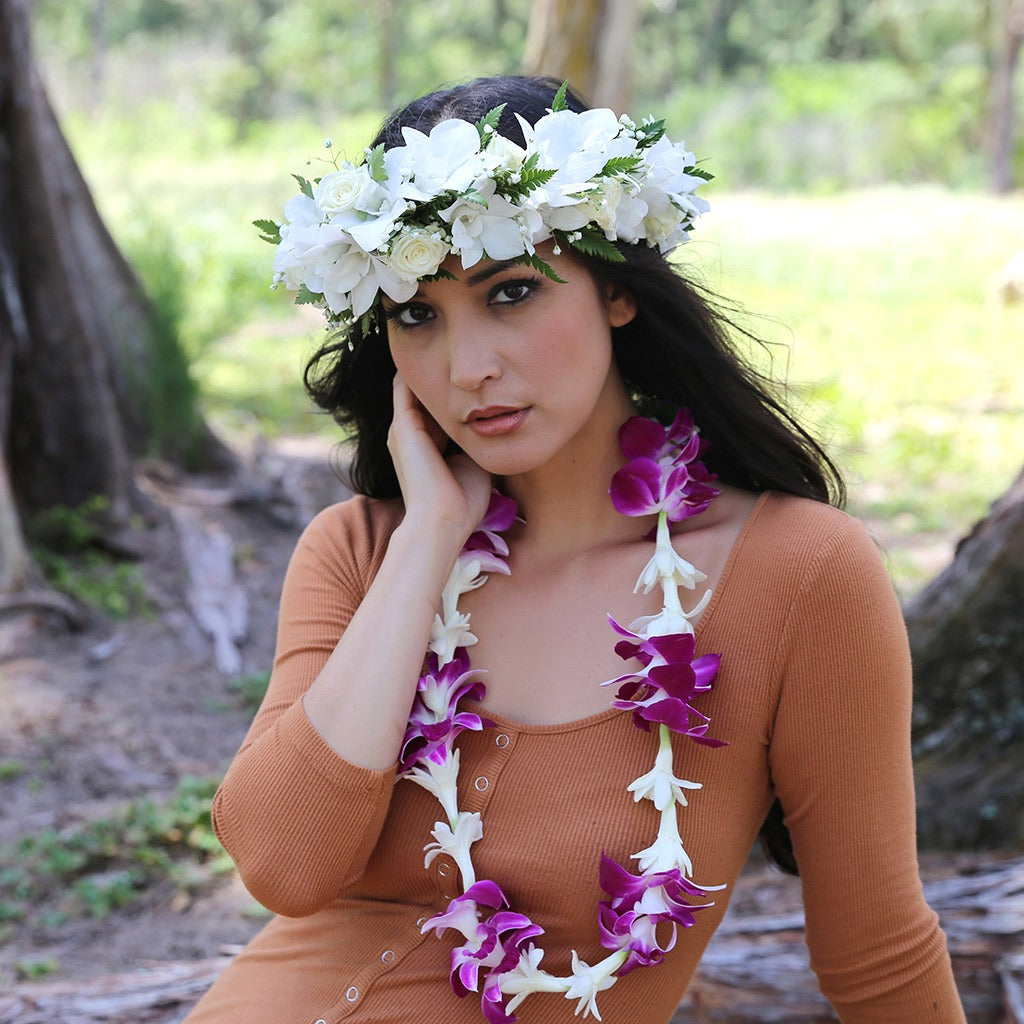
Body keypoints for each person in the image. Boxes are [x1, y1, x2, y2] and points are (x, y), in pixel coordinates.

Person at [185, 76, 965, 1024]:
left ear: (619, 292)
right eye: (416, 315)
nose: (466, 368)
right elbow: (281, 862)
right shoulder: (362, 551)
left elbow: (879, 961)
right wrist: (428, 538)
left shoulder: (800, 575)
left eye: (510, 293)